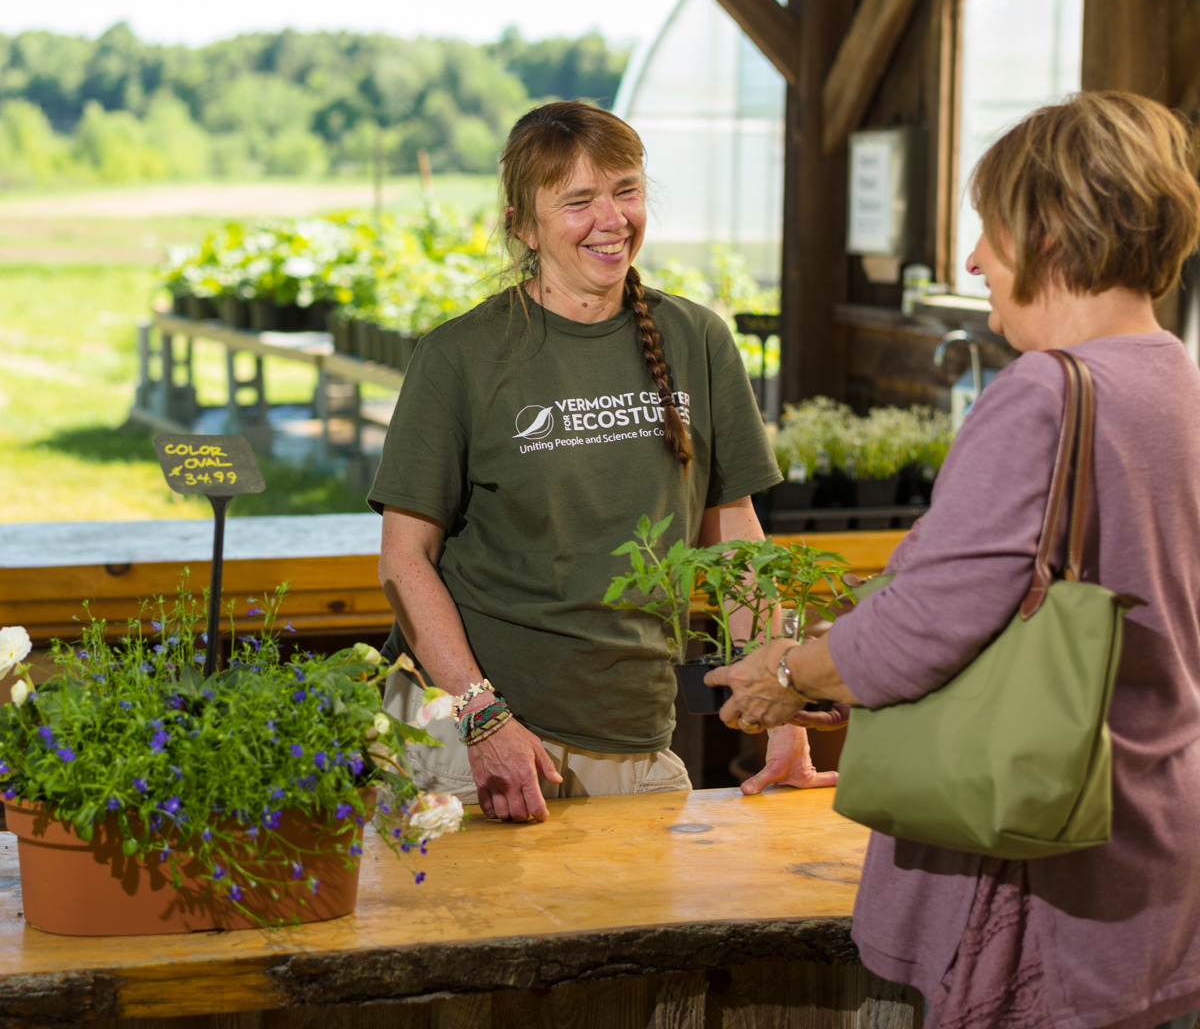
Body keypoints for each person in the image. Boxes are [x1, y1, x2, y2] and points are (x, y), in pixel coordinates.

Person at [709, 91, 1200, 1029]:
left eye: (993, 230)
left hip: (1046, 869)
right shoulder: (1171, 374)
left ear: (1052, 234)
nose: (975, 259)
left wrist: (783, 671)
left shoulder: (1047, 393)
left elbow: (922, 628)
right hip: (1152, 851)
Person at [369, 100, 829, 823]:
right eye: (578, 201)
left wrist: (783, 708)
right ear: (525, 224)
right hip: (459, 730)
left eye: (627, 190)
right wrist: (479, 716)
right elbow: (403, 561)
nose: (612, 219)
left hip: (633, 727)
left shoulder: (696, 340)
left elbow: (733, 538)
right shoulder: (460, 356)